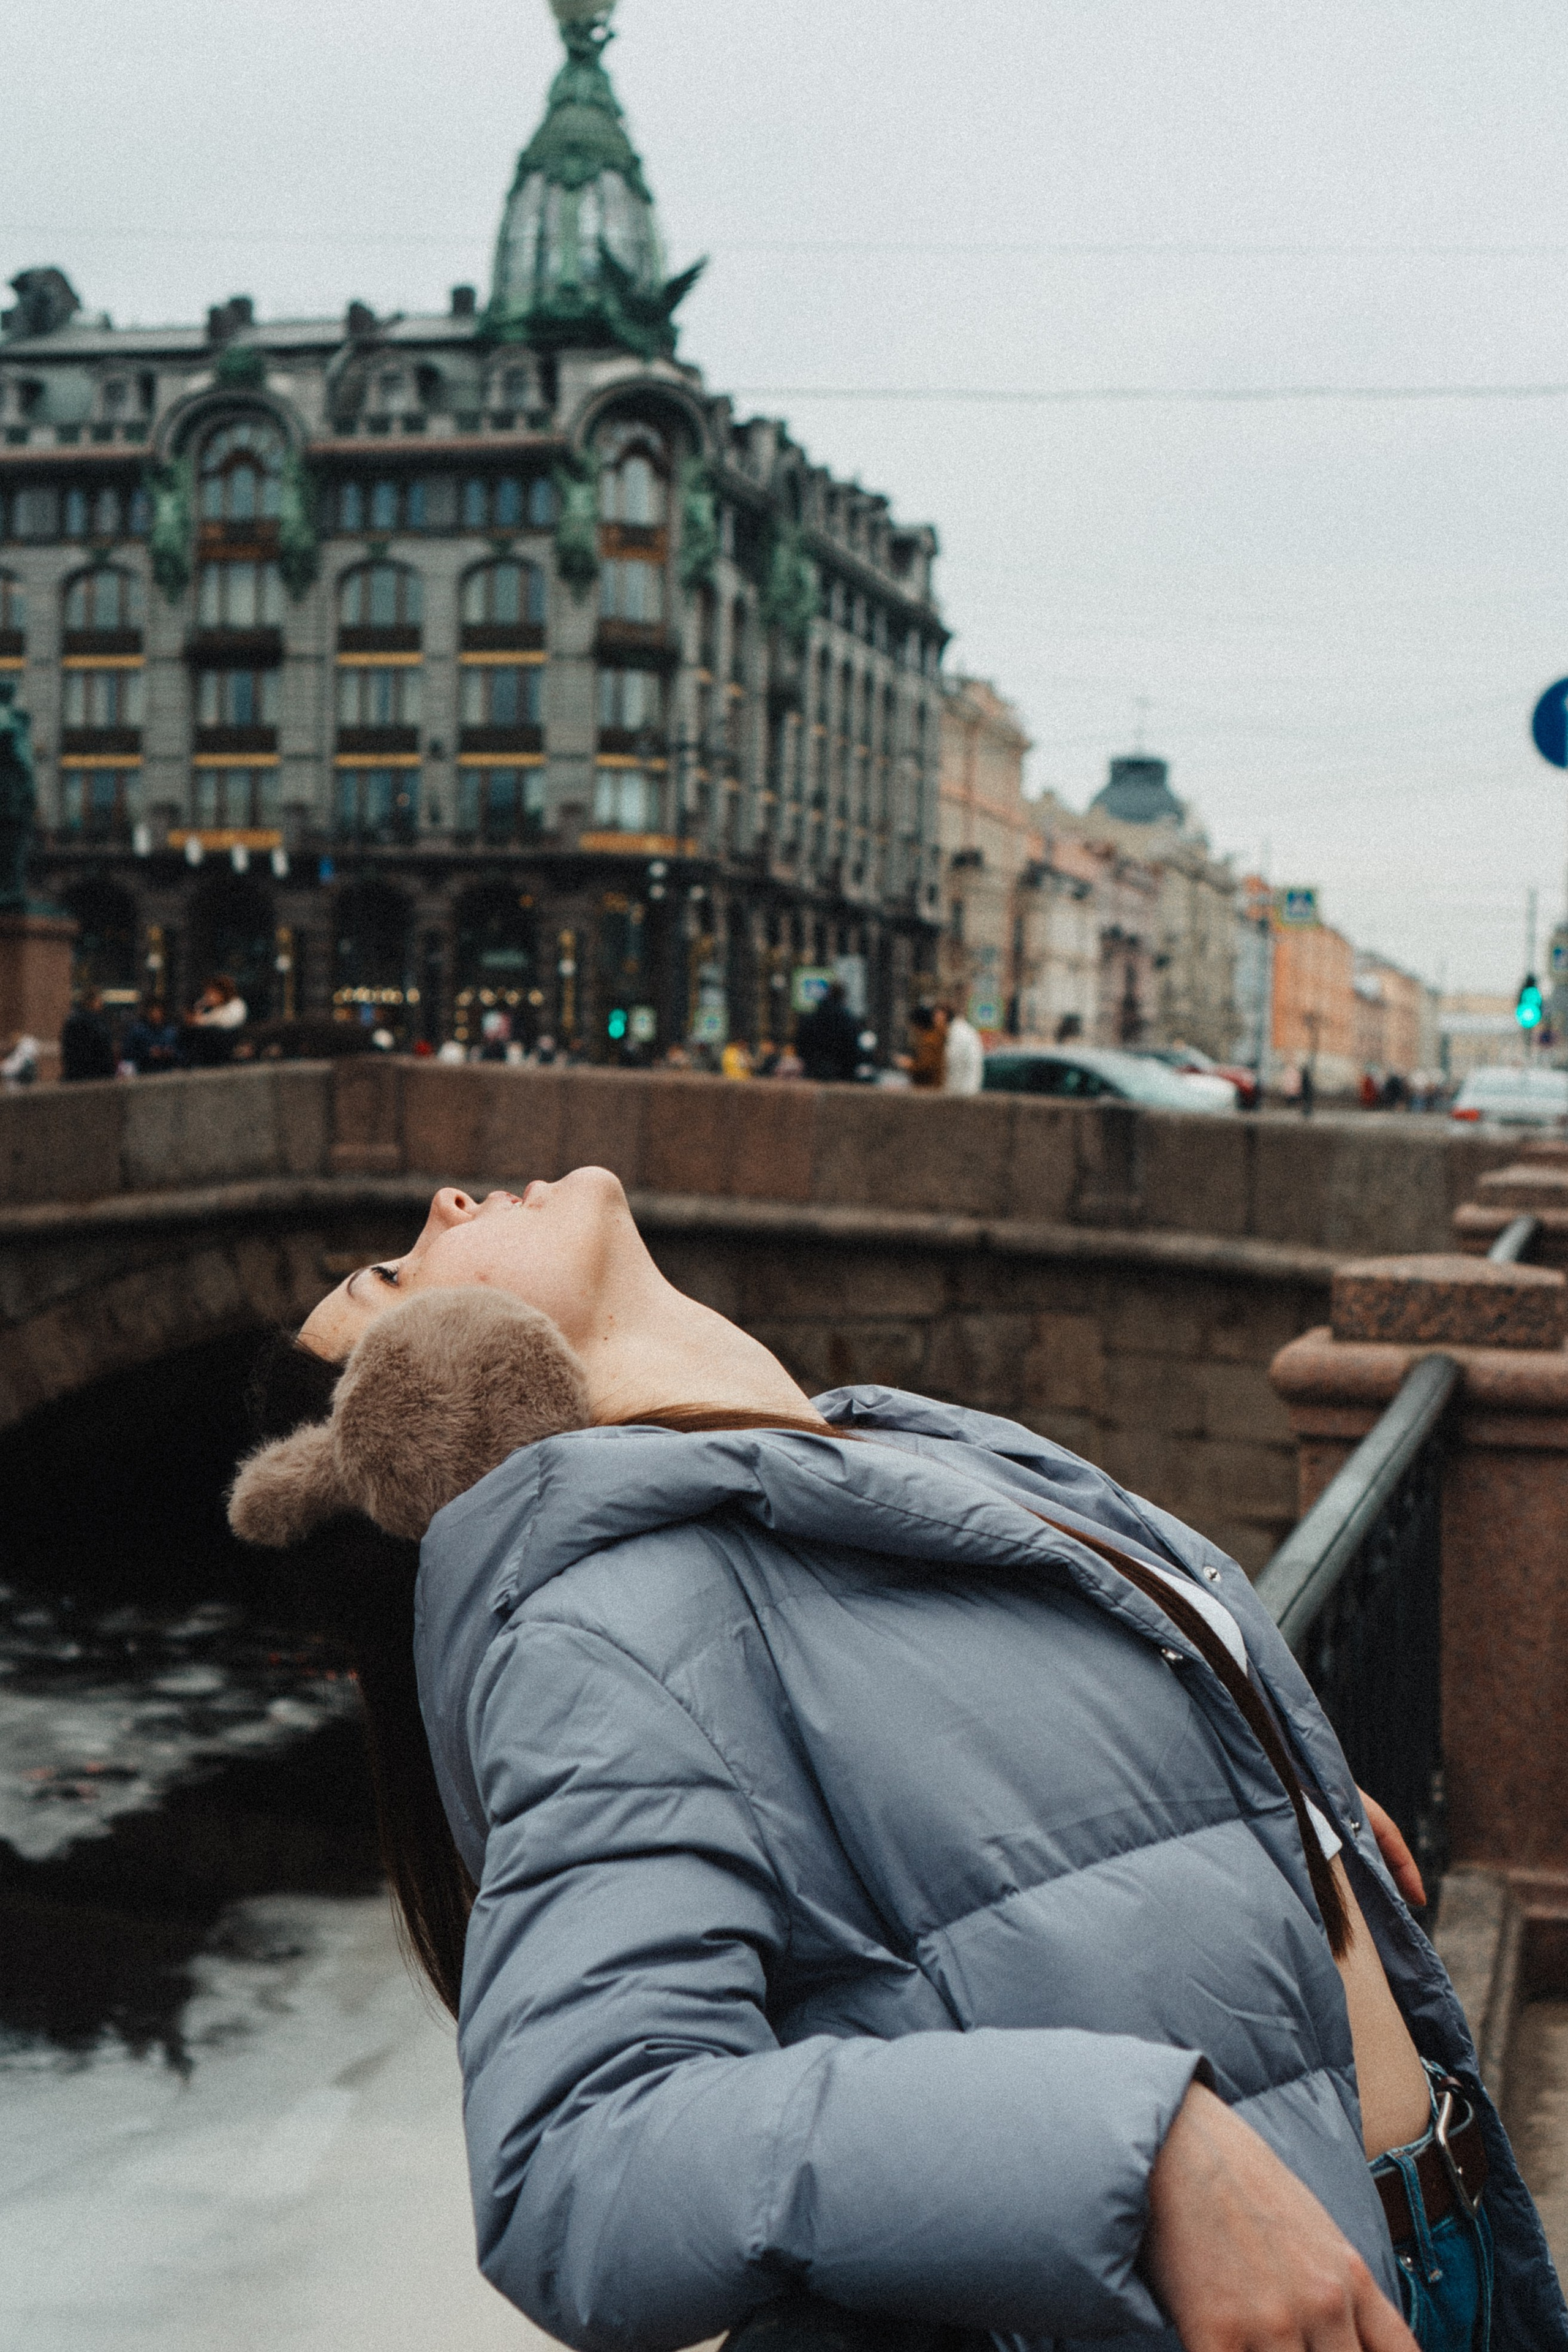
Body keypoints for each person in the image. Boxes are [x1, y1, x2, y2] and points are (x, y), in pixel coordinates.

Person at [228, 1172, 1565, 2352]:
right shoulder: (602, 1627)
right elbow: (579, 2164)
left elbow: (985, 1814)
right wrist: (1136, 2152)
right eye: (395, 1271)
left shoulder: (857, 1449)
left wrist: (1263, 1805)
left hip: (1427, 2247)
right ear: (432, 1402)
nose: (448, 1202)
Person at [794, 981, 860, 1083]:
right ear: (843, 996)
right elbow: (852, 1045)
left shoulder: (814, 1015)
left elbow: (801, 1040)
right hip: (841, 1071)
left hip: (814, 1068)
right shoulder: (846, 1019)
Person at [183, 974, 247, 1068]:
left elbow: (223, 1023)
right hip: (219, 1039)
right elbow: (197, 1022)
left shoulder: (236, 1004)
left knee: (206, 1033)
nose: (208, 998)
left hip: (229, 1039)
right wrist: (199, 1007)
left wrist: (201, 1018)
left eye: (211, 994)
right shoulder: (218, 1008)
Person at [59, 988, 117, 1082]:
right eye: (98, 1000)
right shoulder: (95, 1023)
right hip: (96, 1075)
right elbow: (103, 1049)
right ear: (91, 1002)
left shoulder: (72, 1021)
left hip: (76, 1075)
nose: (101, 1004)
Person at [122, 1001, 179, 1076]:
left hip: (168, 1072)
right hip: (145, 1073)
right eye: (153, 1012)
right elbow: (128, 1054)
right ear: (148, 1013)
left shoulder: (171, 1031)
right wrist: (148, 1053)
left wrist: (172, 1052)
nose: (156, 1015)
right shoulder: (138, 1031)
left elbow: (181, 1051)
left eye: (159, 1012)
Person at [942, 1003, 984, 1095]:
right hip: (967, 1087)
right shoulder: (962, 1030)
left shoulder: (959, 1033)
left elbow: (955, 1063)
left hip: (963, 1089)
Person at [909, 1000, 948, 1087]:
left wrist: (909, 1065)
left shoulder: (930, 1040)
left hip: (929, 1087)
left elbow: (925, 1067)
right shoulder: (934, 1037)